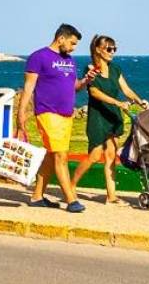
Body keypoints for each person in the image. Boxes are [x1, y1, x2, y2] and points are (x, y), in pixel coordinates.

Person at [17, 24, 96, 213]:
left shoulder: (70, 60)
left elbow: (74, 86)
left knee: (52, 155)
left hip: (66, 115)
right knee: (61, 155)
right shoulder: (39, 57)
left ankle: (37, 197)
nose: (73, 48)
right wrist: (21, 114)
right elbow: (28, 87)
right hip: (47, 112)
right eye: (72, 43)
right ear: (61, 38)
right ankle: (71, 200)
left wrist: (86, 80)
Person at [79, 35, 143, 205]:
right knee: (94, 155)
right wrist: (117, 102)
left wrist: (139, 101)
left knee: (111, 156)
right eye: (109, 48)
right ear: (98, 50)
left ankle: (111, 196)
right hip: (98, 116)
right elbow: (94, 92)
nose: (112, 52)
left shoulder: (115, 69)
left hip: (112, 115)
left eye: (114, 49)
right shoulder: (90, 69)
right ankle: (71, 185)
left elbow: (126, 90)